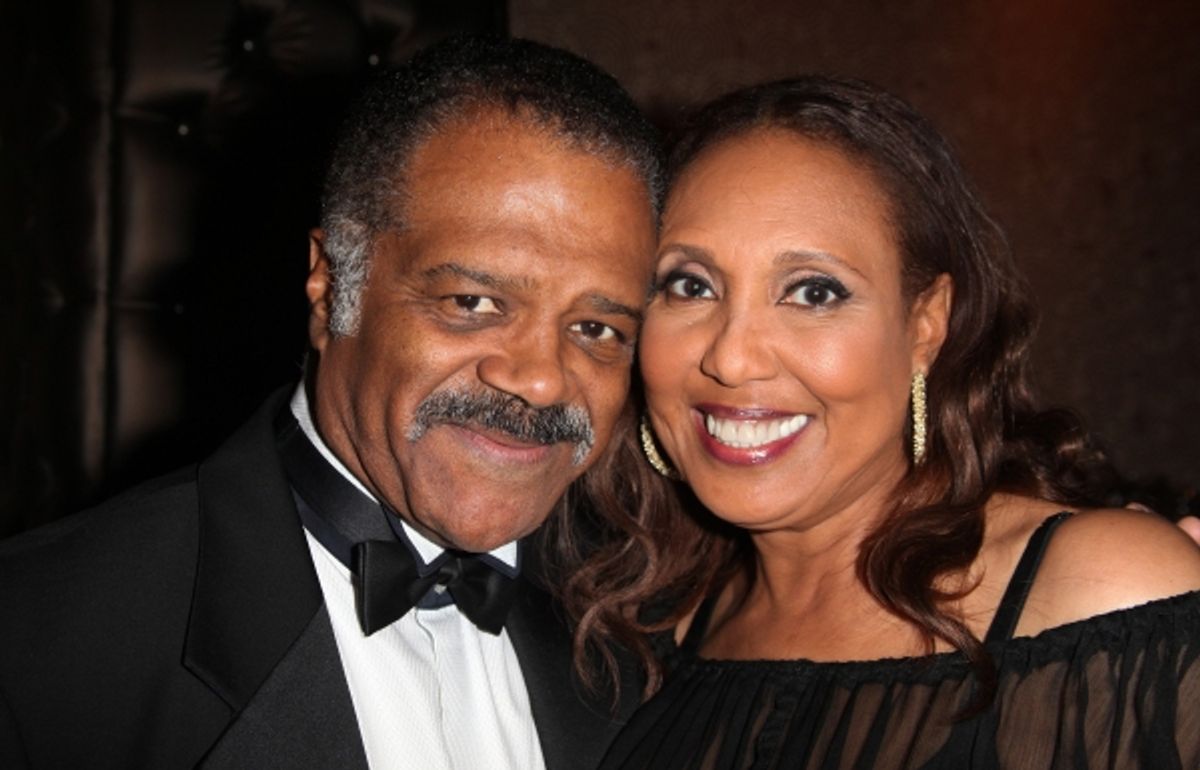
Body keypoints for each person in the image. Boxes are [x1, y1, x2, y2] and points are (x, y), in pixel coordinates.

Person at [0, 35, 663, 769]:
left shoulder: (644, 640)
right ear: (330, 286)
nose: (542, 381)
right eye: (473, 301)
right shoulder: (37, 640)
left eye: (597, 328)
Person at [573, 76, 1200, 768]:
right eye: (690, 285)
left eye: (813, 292)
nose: (731, 357)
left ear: (926, 325)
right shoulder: (652, 633)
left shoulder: (1096, 595)